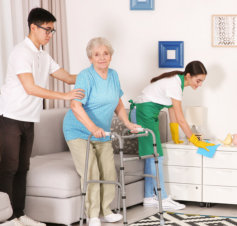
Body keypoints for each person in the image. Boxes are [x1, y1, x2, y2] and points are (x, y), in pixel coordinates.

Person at [0, 7, 84, 226]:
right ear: (32, 27)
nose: (49, 35)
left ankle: (19, 214)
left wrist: (95, 72)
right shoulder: (21, 53)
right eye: (47, 30)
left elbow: (66, 77)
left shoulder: (43, 55)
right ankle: (6, 218)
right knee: (9, 167)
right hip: (10, 117)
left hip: (29, 119)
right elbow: (30, 88)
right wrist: (64, 96)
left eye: (52, 31)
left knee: (23, 168)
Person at [63, 37, 140, 226]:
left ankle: (106, 210)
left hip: (102, 133)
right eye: (97, 54)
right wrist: (92, 128)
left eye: (105, 53)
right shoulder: (85, 76)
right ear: (90, 58)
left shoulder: (113, 75)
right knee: (91, 172)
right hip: (78, 131)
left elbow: (118, 103)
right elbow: (75, 105)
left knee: (108, 171)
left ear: (111, 56)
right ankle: (93, 215)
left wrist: (128, 123)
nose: (102, 57)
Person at [129, 61, 215, 211]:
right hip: (144, 113)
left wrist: (175, 133)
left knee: (152, 156)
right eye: (198, 80)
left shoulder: (177, 82)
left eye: (202, 81)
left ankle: (149, 197)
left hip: (147, 113)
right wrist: (193, 139)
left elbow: (172, 112)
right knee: (157, 156)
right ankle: (163, 199)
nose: (199, 84)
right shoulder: (175, 84)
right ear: (188, 76)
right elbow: (181, 117)